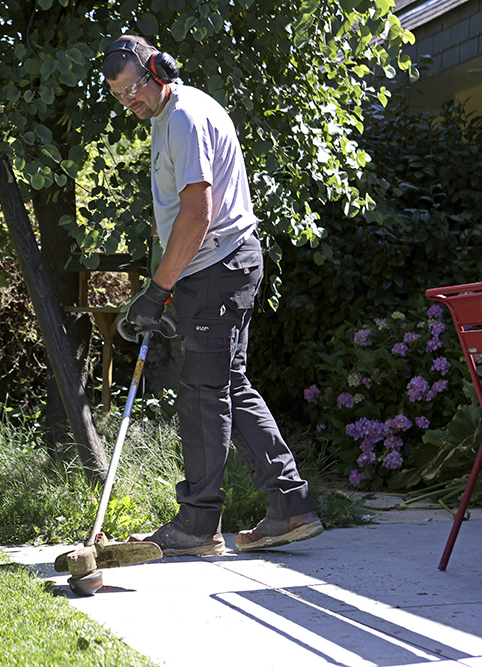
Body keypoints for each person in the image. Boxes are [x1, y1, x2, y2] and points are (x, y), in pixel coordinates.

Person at [102, 35, 323, 556]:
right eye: (118, 95)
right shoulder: (167, 118)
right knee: (227, 384)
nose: (129, 99)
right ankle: (290, 506)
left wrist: (157, 291)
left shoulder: (183, 117)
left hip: (220, 269)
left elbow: (198, 214)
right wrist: (166, 283)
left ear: (159, 69)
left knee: (203, 393)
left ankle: (198, 525)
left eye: (133, 86)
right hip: (214, 271)